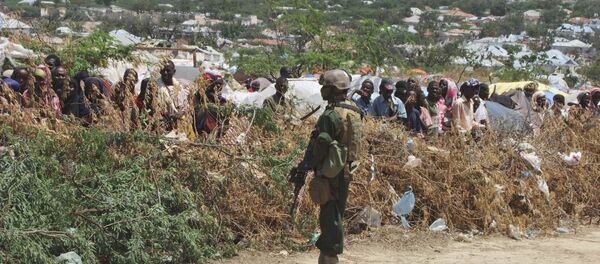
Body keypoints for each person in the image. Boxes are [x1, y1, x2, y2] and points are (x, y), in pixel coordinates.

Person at [311, 69, 363, 264]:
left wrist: (310, 165)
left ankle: (330, 256)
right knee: (334, 212)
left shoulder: (332, 114)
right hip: (345, 170)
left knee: (330, 216)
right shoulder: (353, 109)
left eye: (325, 86)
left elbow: (322, 143)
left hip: (332, 172)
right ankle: (326, 256)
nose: (322, 90)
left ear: (333, 89)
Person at [194, 72, 232, 138]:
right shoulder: (202, 93)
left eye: (220, 85)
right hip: (203, 125)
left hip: (214, 126)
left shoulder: (217, 97)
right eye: (216, 84)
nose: (218, 86)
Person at [154, 60, 190, 129]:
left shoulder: (179, 87)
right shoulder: (155, 86)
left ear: (174, 71)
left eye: (168, 70)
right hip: (163, 125)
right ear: (160, 71)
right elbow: (152, 106)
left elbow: (186, 104)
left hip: (180, 125)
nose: (165, 73)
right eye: (163, 70)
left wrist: (180, 113)